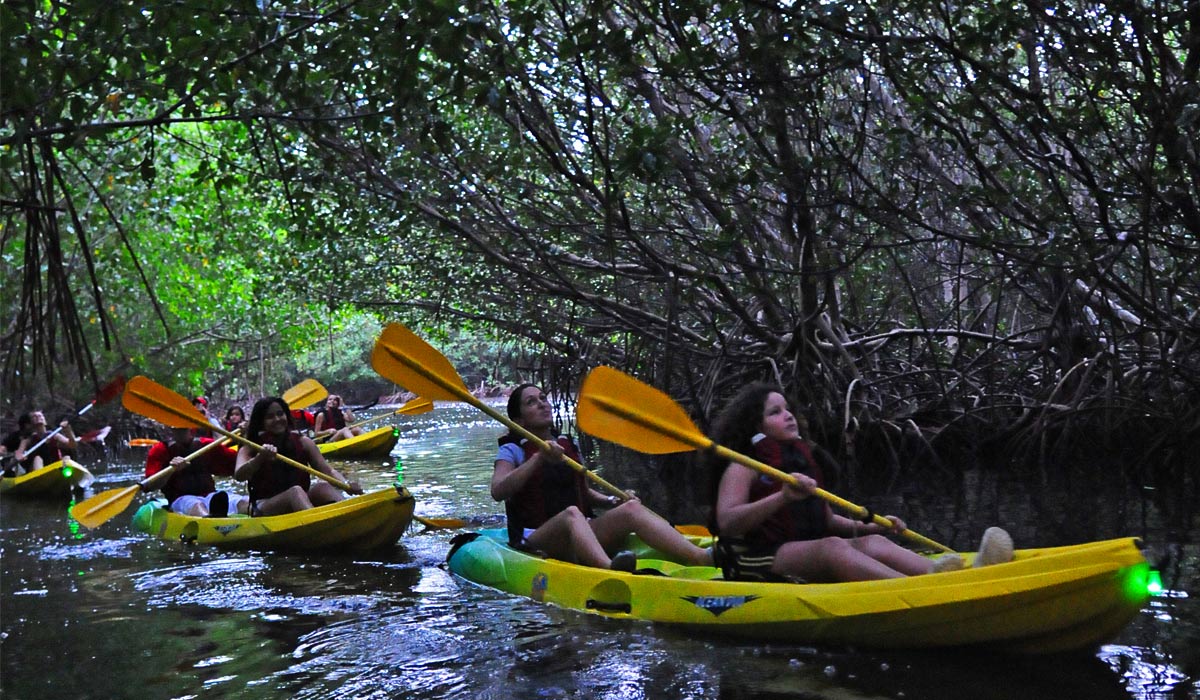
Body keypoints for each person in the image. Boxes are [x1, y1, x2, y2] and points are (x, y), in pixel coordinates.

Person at [709, 383, 1013, 583]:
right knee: (832, 548)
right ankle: (913, 589)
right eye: (775, 412)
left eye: (788, 409)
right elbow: (728, 523)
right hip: (752, 560)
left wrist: (875, 526)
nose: (788, 416)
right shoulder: (742, 466)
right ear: (755, 426)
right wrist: (782, 498)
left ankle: (953, 577)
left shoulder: (798, 460)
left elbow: (825, 520)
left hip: (793, 549)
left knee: (873, 543)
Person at [491, 383, 713, 571]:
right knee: (571, 514)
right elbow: (498, 490)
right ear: (519, 421)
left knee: (631, 509)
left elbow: (582, 491)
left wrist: (611, 501)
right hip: (536, 539)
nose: (542, 403)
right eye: (531, 402)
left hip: (580, 530)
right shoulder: (512, 451)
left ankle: (701, 557)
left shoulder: (569, 444)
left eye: (543, 398)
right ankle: (608, 569)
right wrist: (538, 457)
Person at [235, 396, 362, 516]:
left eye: (280, 414)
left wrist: (346, 485)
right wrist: (259, 458)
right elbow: (239, 475)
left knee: (322, 487)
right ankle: (316, 525)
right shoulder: (250, 447)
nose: (277, 419)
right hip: (265, 505)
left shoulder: (303, 442)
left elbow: (328, 471)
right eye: (270, 417)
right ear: (261, 422)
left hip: (301, 499)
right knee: (295, 491)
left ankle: (352, 515)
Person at [144, 427, 248, 517]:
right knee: (197, 505)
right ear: (172, 430)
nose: (184, 432)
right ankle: (210, 519)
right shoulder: (160, 450)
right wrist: (171, 470)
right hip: (180, 499)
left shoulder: (206, 445)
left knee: (243, 502)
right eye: (179, 430)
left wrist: (244, 441)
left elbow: (236, 465)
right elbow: (150, 485)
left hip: (210, 495)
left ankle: (253, 511)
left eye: (185, 429)